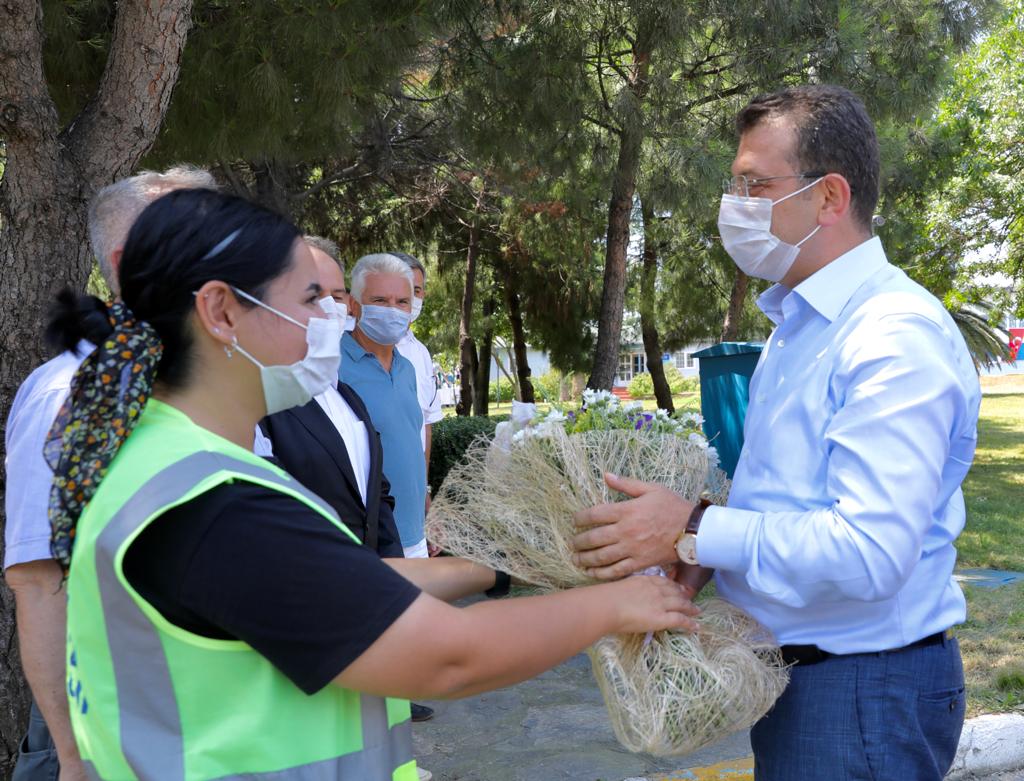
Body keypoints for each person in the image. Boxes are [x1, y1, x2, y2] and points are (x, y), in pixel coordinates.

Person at [49, 188, 698, 780]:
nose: (332, 318)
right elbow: (451, 657)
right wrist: (617, 607)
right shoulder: (217, 507)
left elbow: (341, 580)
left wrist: (498, 567)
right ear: (221, 311)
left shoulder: (158, 458)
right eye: (309, 299)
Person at [572, 85, 981, 781]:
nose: (735, 206)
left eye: (755, 185)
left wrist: (694, 526)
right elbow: (792, 498)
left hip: (859, 693)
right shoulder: (801, 325)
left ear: (829, 197)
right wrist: (703, 558)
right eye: (737, 184)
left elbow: (871, 551)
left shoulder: (889, 334)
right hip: (810, 683)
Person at [3, 165, 215, 781]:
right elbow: (41, 580)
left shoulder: (207, 378)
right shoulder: (75, 392)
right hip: (106, 720)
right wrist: (74, 757)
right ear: (131, 260)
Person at [259, 236, 404, 559]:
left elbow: (376, 493)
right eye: (312, 296)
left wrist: (393, 567)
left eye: (336, 296)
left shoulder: (348, 397)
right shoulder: (261, 401)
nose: (328, 308)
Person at [340, 254, 428, 558]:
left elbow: (411, 442)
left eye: (402, 302)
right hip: (370, 541)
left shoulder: (407, 369)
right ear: (353, 304)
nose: (393, 311)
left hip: (415, 535)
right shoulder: (331, 367)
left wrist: (426, 505)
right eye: (380, 300)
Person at [391, 252, 443, 517]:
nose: (410, 298)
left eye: (417, 290)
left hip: (411, 501)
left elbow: (426, 426)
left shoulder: (421, 353)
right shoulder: (348, 347)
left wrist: (423, 489)